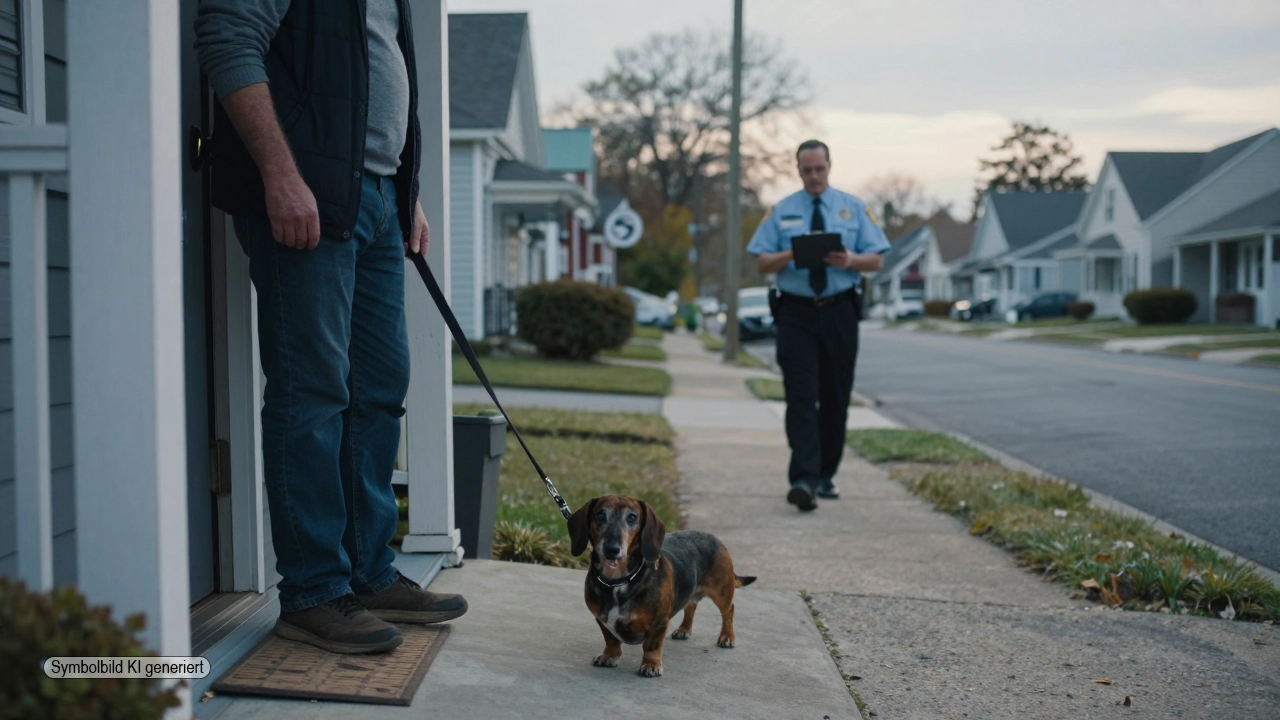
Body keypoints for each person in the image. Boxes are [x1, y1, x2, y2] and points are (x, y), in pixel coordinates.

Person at [195, 0, 467, 655]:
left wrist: (405, 194)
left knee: (378, 388)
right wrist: (280, 175)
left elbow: (371, 83)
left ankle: (368, 576)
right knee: (312, 392)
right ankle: (314, 593)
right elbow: (227, 39)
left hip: (374, 198)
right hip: (306, 193)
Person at [746, 140, 890, 512]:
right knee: (800, 395)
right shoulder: (781, 211)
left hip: (840, 309)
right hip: (795, 313)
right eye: (806, 170)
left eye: (819, 169)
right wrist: (793, 251)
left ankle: (826, 473)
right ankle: (803, 479)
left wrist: (850, 260)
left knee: (835, 395)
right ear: (797, 169)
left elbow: (876, 260)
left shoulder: (853, 208)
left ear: (829, 166)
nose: (813, 176)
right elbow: (762, 263)